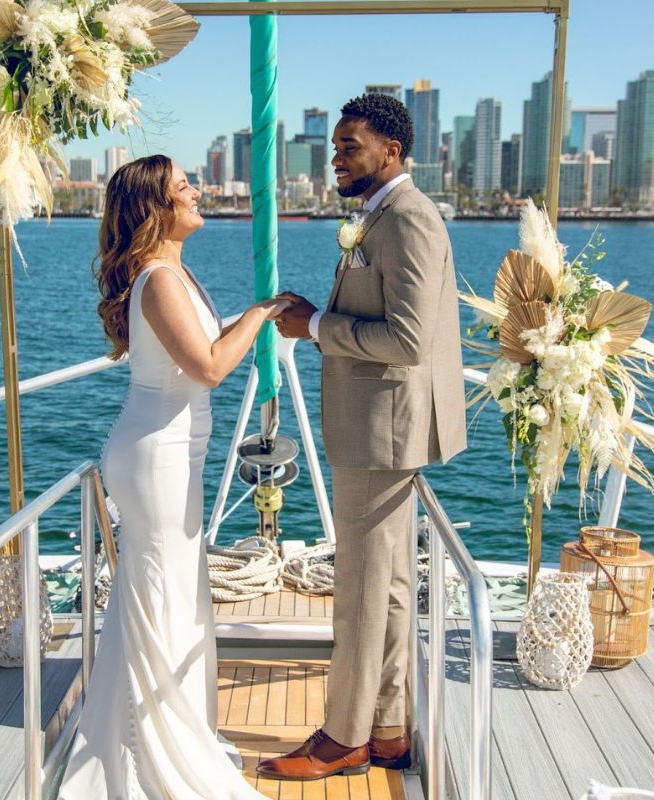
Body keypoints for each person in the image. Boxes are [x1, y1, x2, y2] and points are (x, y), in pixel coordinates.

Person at [58, 155, 286, 800]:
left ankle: (172, 726)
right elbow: (208, 368)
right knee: (161, 595)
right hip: (155, 456)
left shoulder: (172, 272)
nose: (197, 192)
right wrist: (262, 312)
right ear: (156, 207)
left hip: (173, 454)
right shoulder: (158, 279)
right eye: (184, 187)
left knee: (173, 594)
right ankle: (147, 746)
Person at [257, 94, 467, 781]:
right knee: (393, 585)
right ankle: (387, 726)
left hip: (382, 434)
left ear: (392, 153)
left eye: (350, 146)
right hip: (379, 430)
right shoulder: (377, 217)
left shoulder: (408, 220)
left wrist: (315, 327)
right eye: (337, 147)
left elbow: (406, 340)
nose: (337, 157)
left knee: (360, 590)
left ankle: (341, 737)